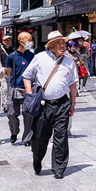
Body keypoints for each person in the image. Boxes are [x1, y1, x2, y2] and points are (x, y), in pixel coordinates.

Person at [23, 30, 78, 179]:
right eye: (59, 43)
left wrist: (73, 103)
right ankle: (37, 159)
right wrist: (30, 94)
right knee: (40, 137)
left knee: (61, 137)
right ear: (51, 46)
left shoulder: (68, 61)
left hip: (63, 103)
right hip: (43, 105)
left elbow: (73, 84)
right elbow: (26, 76)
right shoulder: (39, 58)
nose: (62, 45)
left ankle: (59, 168)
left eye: (63, 42)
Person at [5, 31, 36, 145]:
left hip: (28, 88)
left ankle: (27, 138)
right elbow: (9, 73)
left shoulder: (32, 56)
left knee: (28, 115)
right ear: (21, 41)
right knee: (11, 113)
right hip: (15, 87)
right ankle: (14, 131)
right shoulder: (11, 57)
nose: (30, 42)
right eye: (28, 40)